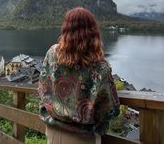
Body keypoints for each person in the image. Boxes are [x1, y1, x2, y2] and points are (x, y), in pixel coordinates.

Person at [38, 7, 120, 144]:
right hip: (84, 138)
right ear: (93, 32)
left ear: (66, 29)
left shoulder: (52, 53)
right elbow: (110, 109)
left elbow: (42, 87)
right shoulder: (100, 67)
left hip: (53, 131)